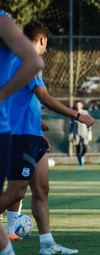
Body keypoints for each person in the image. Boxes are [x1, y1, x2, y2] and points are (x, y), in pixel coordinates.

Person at [0, 20, 94, 254]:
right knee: (16, 192)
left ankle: (47, 244)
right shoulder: (28, 60)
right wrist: (76, 115)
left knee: (41, 190)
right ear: (42, 39)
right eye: (46, 43)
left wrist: (38, 124)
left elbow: (18, 98)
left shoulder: (15, 60)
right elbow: (43, 96)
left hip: (32, 135)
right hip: (21, 137)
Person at [0, 10, 45, 255]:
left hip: (10, 131)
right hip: (17, 133)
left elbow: (34, 63)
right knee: (21, 190)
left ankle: (45, 239)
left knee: (31, 189)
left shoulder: (3, 22)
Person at [70, 100, 92, 167]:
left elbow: (89, 122)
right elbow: (71, 124)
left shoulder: (85, 112)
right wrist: (70, 134)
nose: (78, 106)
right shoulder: (73, 113)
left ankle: (81, 156)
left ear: (81, 105)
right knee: (78, 148)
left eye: (79, 104)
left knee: (85, 147)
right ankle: (80, 163)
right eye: (77, 104)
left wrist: (90, 132)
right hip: (76, 133)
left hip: (84, 132)